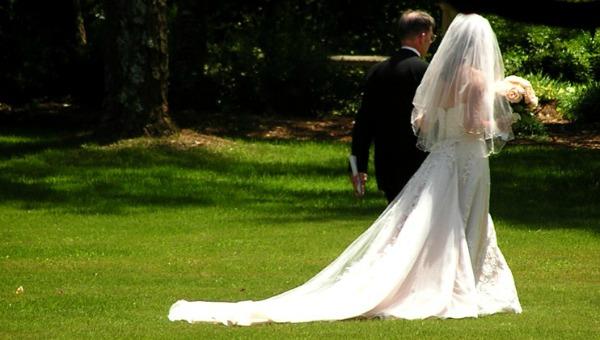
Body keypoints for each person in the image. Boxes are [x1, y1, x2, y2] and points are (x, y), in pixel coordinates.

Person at [168, 13, 522, 325]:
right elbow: (479, 126)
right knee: (461, 220)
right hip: (462, 160)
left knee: (431, 226)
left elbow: (419, 123)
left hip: (432, 161)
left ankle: (442, 281)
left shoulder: (424, 75)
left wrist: (358, 162)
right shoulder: (469, 78)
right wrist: (508, 108)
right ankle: (457, 285)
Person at [350, 10, 435, 203]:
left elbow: (364, 122)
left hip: (386, 161)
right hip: (418, 161)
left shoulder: (377, 71)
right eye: (431, 37)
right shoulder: (424, 71)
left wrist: (358, 165)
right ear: (422, 36)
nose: (430, 42)